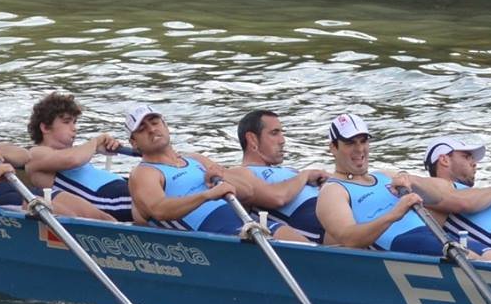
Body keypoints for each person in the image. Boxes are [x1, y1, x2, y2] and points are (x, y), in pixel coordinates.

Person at [315, 114, 443, 255]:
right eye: (350, 143)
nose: (359, 149)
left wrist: (411, 181)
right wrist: (394, 214)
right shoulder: (332, 191)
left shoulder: (384, 175)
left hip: (434, 236)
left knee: (469, 248)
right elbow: (349, 239)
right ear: (333, 147)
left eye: (363, 141)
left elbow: (438, 198)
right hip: (403, 246)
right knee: (467, 254)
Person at [125, 105, 248, 236]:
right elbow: (159, 210)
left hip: (242, 216)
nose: (151, 129)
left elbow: (248, 191)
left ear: (165, 126)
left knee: (272, 233)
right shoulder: (143, 173)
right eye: (142, 129)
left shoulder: (196, 158)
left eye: (155, 122)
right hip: (211, 232)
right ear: (134, 142)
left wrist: (223, 176)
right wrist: (207, 195)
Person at [21, 92, 130, 222]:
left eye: (74, 122)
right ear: (45, 127)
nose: (74, 128)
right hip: (112, 202)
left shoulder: (76, 152)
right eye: (67, 122)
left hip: (121, 193)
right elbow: (72, 160)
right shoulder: (34, 154)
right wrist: (95, 143)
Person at [422, 135, 491, 262]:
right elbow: (465, 203)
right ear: (444, 160)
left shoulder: (481, 195)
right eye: (466, 157)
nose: (474, 164)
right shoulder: (434, 193)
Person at [233, 109, 327, 243]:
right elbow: (277, 197)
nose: (282, 140)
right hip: (316, 220)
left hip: (334, 205)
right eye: (274, 133)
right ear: (252, 139)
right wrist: (305, 175)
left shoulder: (291, 171)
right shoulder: (240, 173)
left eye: (281, 133)